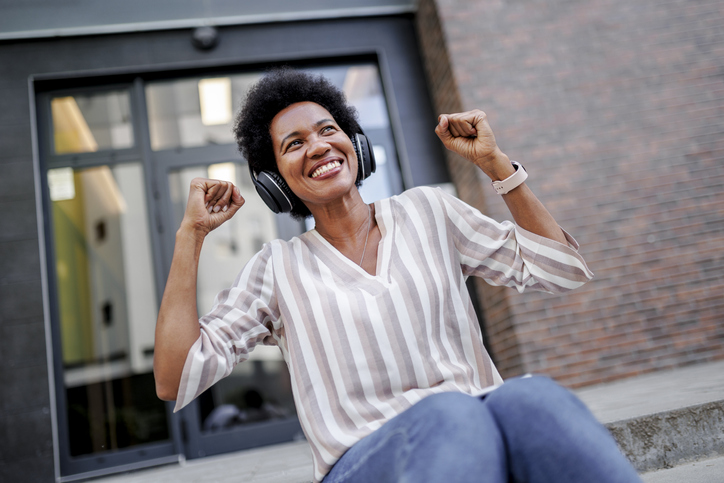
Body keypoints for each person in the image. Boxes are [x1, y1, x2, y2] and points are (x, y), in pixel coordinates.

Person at [154, 68, 641, 483]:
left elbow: (560, 269)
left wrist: (497, 165)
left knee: (531, 397)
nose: (319, 147)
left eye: (328, 130)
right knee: (449, 413)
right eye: (295, 143)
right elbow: (176, 378)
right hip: (362, 460)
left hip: (471, 419)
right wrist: (190, 235)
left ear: (354, 142)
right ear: (275, 180)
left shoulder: (428, 210)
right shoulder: (275, 269)